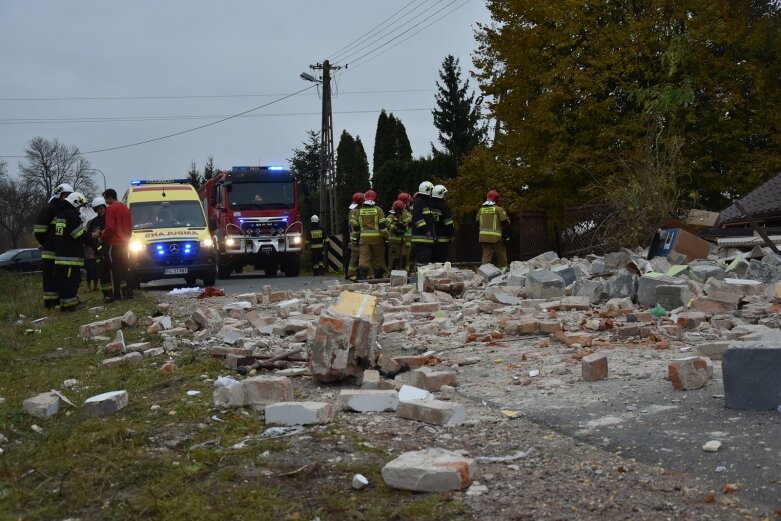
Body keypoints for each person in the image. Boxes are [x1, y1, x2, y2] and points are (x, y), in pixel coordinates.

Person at [33, 183, 73, 308]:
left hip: (58, 251)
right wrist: (47, 243)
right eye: (66, 195)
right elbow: (39, 231)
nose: (68, 198)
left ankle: (56, 301)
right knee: (49, 277)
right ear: (60, 194)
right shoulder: (50, 209)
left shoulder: (61, 209)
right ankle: (49, 303)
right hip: (50, 251)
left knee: (57, 277)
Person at [53, 192, 88, 311]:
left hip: (62, 255)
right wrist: (91, 236)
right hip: (70, 257)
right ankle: (70, 305)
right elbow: (78, 234)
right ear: (75, 203)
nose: (79, 209)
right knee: (71, 281)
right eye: (79, 206)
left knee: (64, 281)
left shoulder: (61, 214)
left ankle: (64, 304)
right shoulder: (71, 215)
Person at [100, 188, 132, 301]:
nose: (105, 201)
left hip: (114, 243)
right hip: (125, 243)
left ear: (109, 197)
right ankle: (128, 292)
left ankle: (117, 294)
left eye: (105, 198)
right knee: (125, 267)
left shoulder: (110, 209)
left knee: (115, 269)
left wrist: (102, 236)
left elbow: (110, 227)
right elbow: (130, 227)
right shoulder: (125, 208)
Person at [352, 189, 386, 280]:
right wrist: (386, 237)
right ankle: (378, 279)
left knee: (363, 259)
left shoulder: (359, 211)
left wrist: (355, 238)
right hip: (377, 240)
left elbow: (355, 227)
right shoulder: (378, 210)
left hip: (363, 240)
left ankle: (362, 279)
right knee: (377, 259)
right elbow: (382, 226)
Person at [478, 189, 511, 267]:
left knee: (486, 257)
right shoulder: (498, 209)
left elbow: (477, 222)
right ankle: (504, 272)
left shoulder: (481, 210)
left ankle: (484, 273)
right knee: (501, 254)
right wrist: (506, 237)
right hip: (496, 238)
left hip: (484, 238)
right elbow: (505, 223)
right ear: (495, 198)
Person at [87, 197, 110, 295]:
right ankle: (107, 294)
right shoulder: (93, 222)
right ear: (95, 210)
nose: (100, 211)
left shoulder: (110, 218)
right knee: (103, 272)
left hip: (111, 248)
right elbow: (91, 238)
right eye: (98, 209)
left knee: (115, 271)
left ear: (105, 207)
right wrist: (99, 248)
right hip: (99, 251)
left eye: (101, 208)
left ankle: (118, 291)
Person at [410, 181, 436, 267]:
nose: (432, 193)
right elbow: (417, 218)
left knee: (425, 258)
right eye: (431, 190)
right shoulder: (419, 202)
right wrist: (426, 230)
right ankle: (418, 276)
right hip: (421, 237)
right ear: (427, 191)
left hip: (425, 238)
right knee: (422, 259)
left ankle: (421, 275)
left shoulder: (425, 202)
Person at [431, 184, 454, 263]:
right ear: (441, 194)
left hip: (430, 239)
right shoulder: (443, 206)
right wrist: (452, 234)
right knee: (441, 261)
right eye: (444, 194)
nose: (445, 196)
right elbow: (448, 222)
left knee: (432, 260)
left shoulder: (429, 205)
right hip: (443, 239)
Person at [345, 192, 364, 281]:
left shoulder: (357, 210)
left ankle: (358, 273)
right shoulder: (354, 211)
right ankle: (351, 274)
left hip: (359, 236)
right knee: (355, 256)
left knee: (361, 256)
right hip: (356, 237)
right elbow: (353, 224)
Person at [385, 200, 408, 271]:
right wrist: (395, 228)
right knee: (393, 260)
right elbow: (386, 223)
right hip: (394, 242)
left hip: (402, 241)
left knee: (403, 259)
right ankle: (389, 275)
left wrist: (404, 224)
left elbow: (409, 220)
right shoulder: (391, 216)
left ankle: (401, 274)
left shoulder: (404, 215)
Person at [397, 192, 413, 271]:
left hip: (407, 236)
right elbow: (404, 224)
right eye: (408, 201)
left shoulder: (406, 211)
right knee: (405, 255)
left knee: (406, 255)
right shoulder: (404, 212)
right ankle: (404, 272)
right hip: (406, 236)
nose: (409, 202)